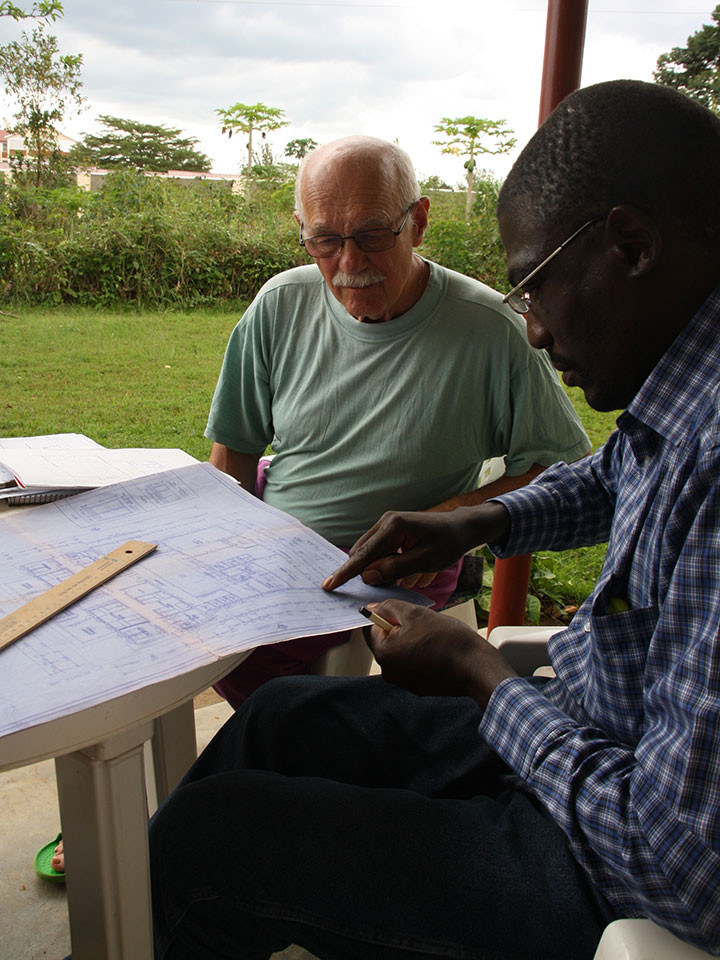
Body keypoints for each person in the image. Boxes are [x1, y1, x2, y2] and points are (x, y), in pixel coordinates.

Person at [149, 78, 720, 958]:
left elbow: (674, 867)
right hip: (585, 738)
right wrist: (474, 524)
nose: (531, 330)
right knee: (281, 719)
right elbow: (605, 479)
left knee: (209, 842)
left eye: (535, 286)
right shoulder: (686, 387)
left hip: (595, 863)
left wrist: (480, 673)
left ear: (631, 246)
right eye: (324, 240)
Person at [205, 134, 589, 708]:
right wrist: (231, 550)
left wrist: (446, 521)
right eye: (325, 240)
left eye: (373, 234)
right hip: (280, 553)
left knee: (281, 694)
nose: (350, 262)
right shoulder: (279, 304)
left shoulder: (489, 329)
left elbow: (561, 468)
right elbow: (234, 450)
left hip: (400, 569)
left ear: (420, 221)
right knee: (195, 639)